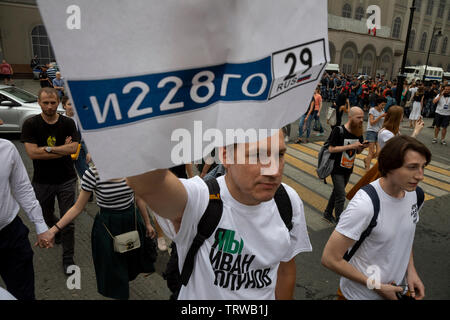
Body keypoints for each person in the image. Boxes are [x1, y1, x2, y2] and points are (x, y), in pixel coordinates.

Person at [127, 130, 312, 300]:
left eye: (279, 154)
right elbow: (147, 183)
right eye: (258, 155)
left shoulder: (287, 201)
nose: (273, 170)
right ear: (226, 156)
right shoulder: (201, 199)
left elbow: (285, 268)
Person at [321, 135, 431, 300]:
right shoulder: (365, 205)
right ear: (390, 166)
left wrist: (411, 272)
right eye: (412, 167)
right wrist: (377, 286)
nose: (420, 176)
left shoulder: (415, 195)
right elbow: (330, 259)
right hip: (359, 295)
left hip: (397, 290)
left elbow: (404, 239)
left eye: (423, 167)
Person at [46, 165, 157, 300]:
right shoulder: (92, 174)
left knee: (129, 265)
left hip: (131, 222)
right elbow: (77, 208)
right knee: (115, 273)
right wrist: (53, 230)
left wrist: (147, 223)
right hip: (107, 227)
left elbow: (139, 198)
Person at [21, 87, 79, 275]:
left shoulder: (68, 123)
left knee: (68, 220)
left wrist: (45, 150)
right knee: (45, 215)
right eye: (45, 102)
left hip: (67, 180)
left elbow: (73, 149)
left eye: (53, 102)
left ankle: (68, 258)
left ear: (58, 103)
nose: (49, 106)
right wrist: (61, 148)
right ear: (39, 102)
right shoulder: (31, 124)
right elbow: (31, 153)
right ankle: (57, 230)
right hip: (42, 181)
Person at [0, 135, 54, 300]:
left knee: (24, 293)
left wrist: (40, 224)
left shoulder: (7, 148)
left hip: (10, 234)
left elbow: (22, 187)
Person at [323, 107, 368, 223]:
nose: (361, 120)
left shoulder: (358, 131)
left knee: (337, 192)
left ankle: (327, 213)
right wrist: (350, 146)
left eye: (362, 117)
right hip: (336, 168)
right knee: (341, 196)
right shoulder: (339, 130)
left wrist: (362, 148)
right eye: (359, 117)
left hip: (348, 167)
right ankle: (340, 221)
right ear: (350, 117)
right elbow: (331, 149)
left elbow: (357, 152)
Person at [364, 97, 387, 170]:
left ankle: (366, 160)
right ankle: (367, 169)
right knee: (371, 152)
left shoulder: (383, 110)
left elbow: (383, 123)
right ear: (378, 103)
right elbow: (372, 123)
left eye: (384, 105)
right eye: (382, 105)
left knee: (378, 152)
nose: (383, 107)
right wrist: (380, 116)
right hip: (371, 131)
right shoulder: (372, 110)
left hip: (379, 132)